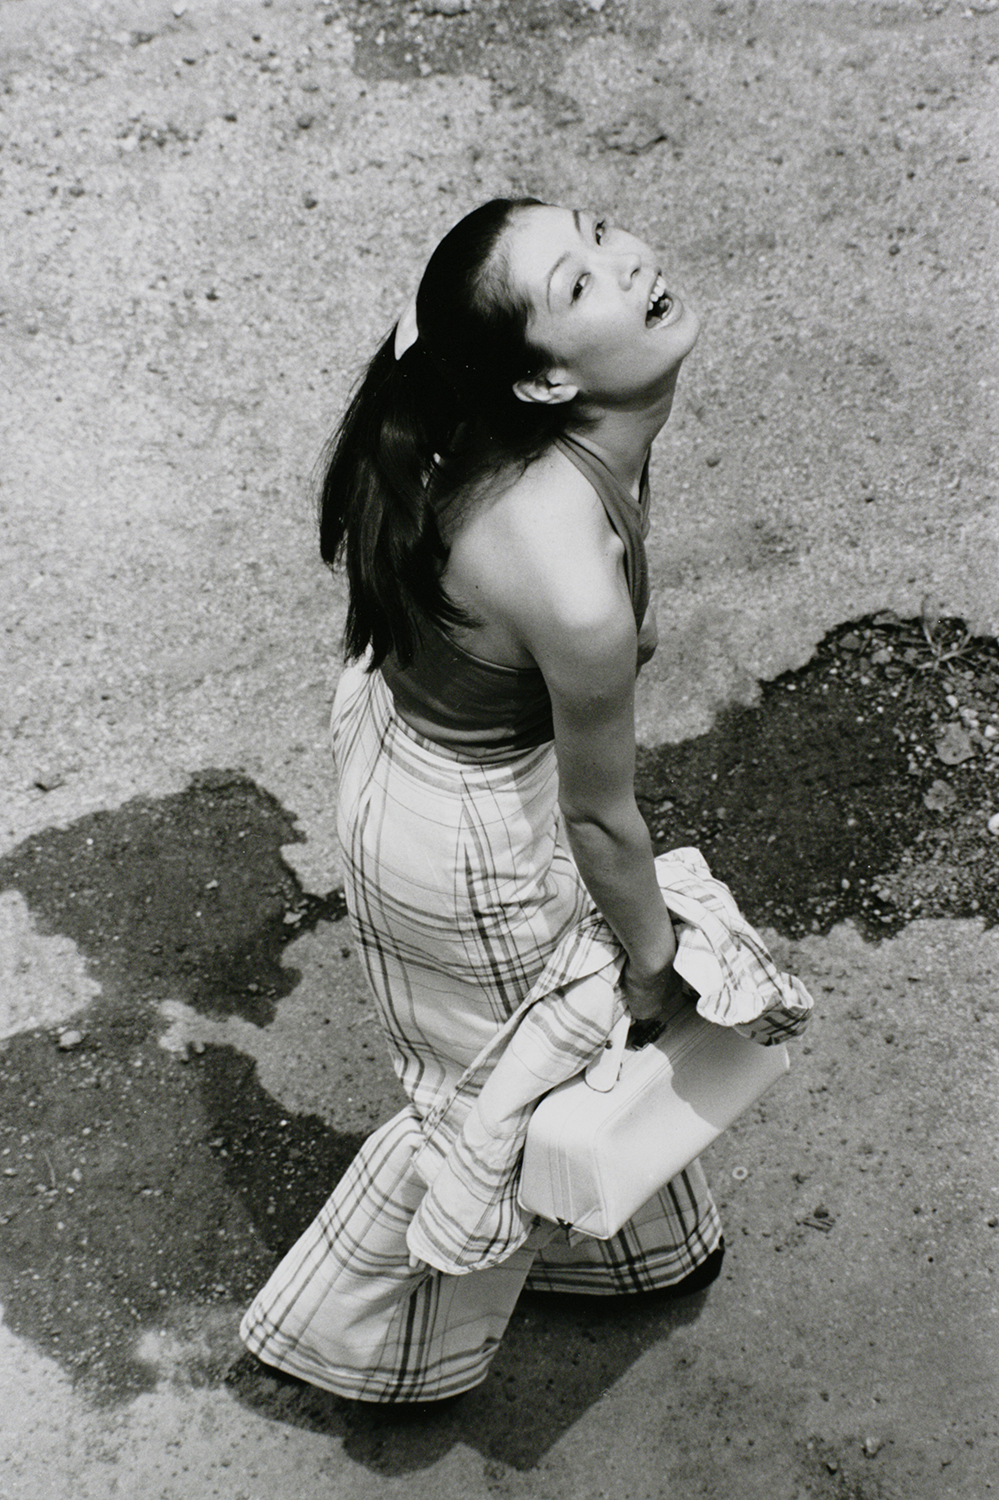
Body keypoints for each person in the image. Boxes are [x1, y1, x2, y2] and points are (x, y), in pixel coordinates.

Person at [239, 198, 725, 1404]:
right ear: (550, 382)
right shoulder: (563, 568)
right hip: (456, 832)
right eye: (579, 286)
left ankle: (620, 1254)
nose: (628, 262)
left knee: (561, 1050)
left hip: (438, 756)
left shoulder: (558, 419)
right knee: (509, 1079)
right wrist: (662, 969)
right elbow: (604, 821)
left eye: (603, 233)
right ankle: (343, 1345)